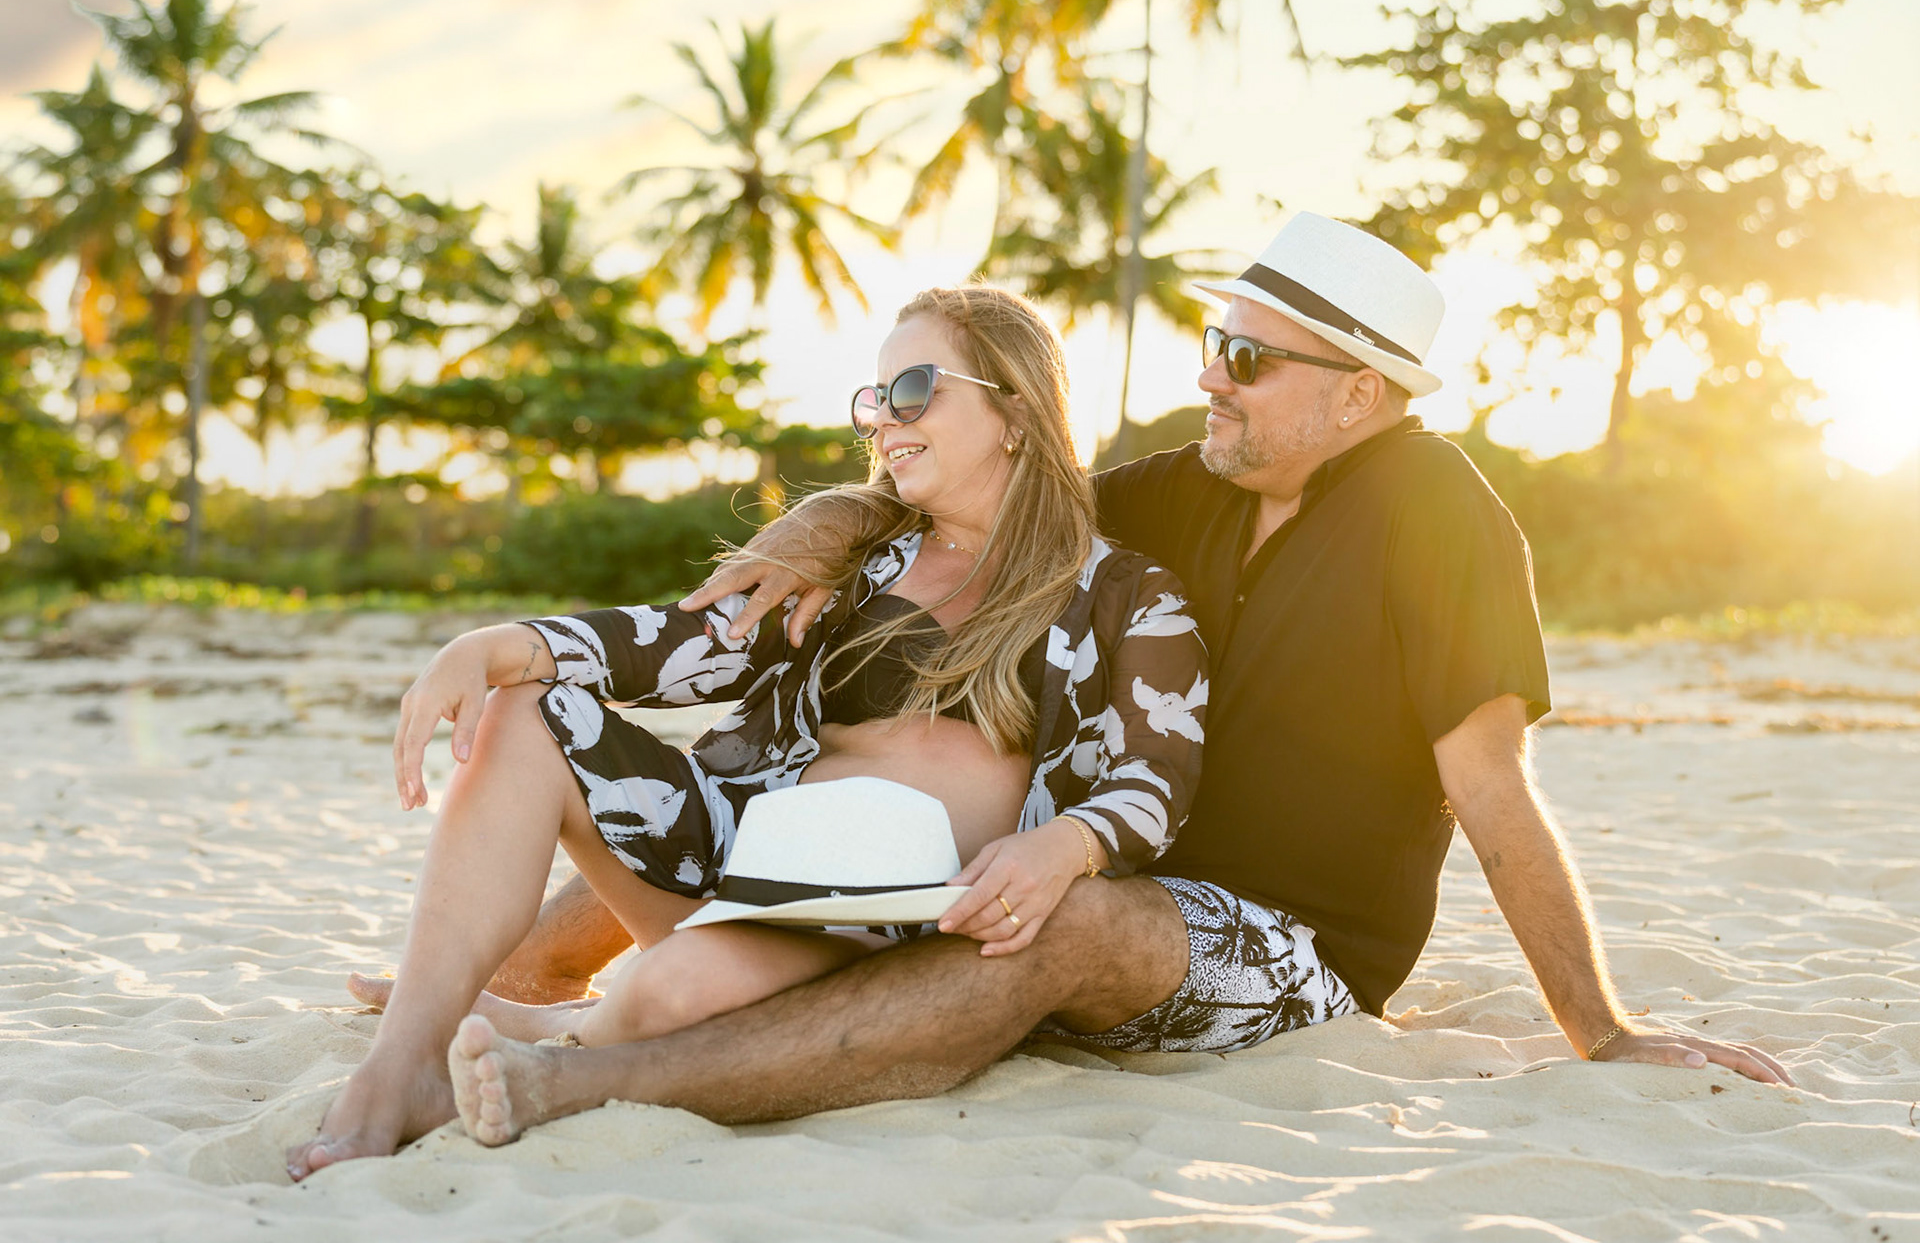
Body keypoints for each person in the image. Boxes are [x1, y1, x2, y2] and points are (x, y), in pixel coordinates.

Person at [425, 212, 1791, 1150]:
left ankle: (592, 1081)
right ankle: (525, 980)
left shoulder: (1442, 516)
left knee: (1060, 927)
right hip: (1094, 850)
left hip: (1286, 942)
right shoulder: (1189, 489)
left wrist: (1601, 1033)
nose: (1213, 379)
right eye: (1217, 342)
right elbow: (977, 495)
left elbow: (1494, 789)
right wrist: (813, 528)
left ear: (1362, 396)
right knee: (835, 791)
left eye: (1249, 361)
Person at [284, 285, 1209, 1179]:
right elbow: (691, 643)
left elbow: (1156, 774)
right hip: (742, 860)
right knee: (526, 706)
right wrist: (506, 644)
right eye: (873, 399)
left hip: (879, 921)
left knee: (665, 997)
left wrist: (1073, 841)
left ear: (1016, 408)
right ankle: (401, 1062)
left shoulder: (1127, 596)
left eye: (915, 390)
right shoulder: (849, 562)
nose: (884, 419)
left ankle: (536, 1032)